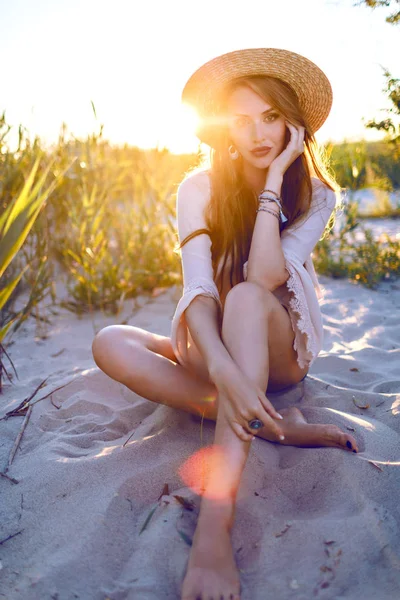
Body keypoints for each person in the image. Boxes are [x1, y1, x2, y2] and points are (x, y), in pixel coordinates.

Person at [92, 48, 359, 600]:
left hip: (278, 351)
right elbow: (197, 288)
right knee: (110, 340)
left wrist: (273, 183)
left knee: (243, 298)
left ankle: (215, 527)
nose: (257, 132)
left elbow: (262, 278)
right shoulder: (197, 188)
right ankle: (272, 425)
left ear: (292, 124)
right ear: (221, 129)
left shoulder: (316, 194)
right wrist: (216, 362)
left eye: (270, 116)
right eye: (241, 118)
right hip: (217, 349)